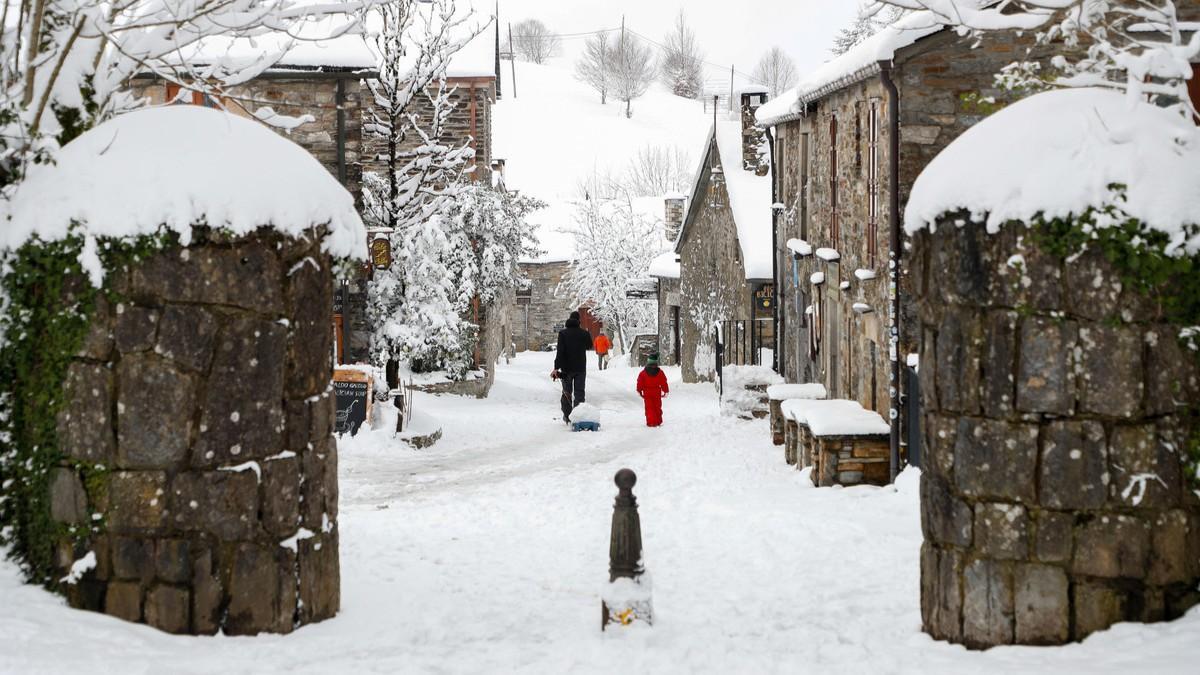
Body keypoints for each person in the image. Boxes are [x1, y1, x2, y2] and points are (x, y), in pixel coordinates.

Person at [552, 310, 593, 424]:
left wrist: (556, 368)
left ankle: (567, 416)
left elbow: (560, 352)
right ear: (579, 321)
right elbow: (589, 345)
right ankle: (578, 416)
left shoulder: (563, 333)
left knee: (567, 393)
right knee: (580, 393)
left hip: (566, 369)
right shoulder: (584, 333)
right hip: (580, 368)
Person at [636, 353, 669, 427]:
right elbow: (664, 382)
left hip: (647, 393)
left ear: (648, 362)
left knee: (649, 407)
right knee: (657, 407)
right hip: (657, 392)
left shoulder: (643, 373)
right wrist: (666, 390)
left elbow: (640, 382)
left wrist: (639, 390)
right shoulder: (660, 373)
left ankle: (651, 422)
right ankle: (658, 421)